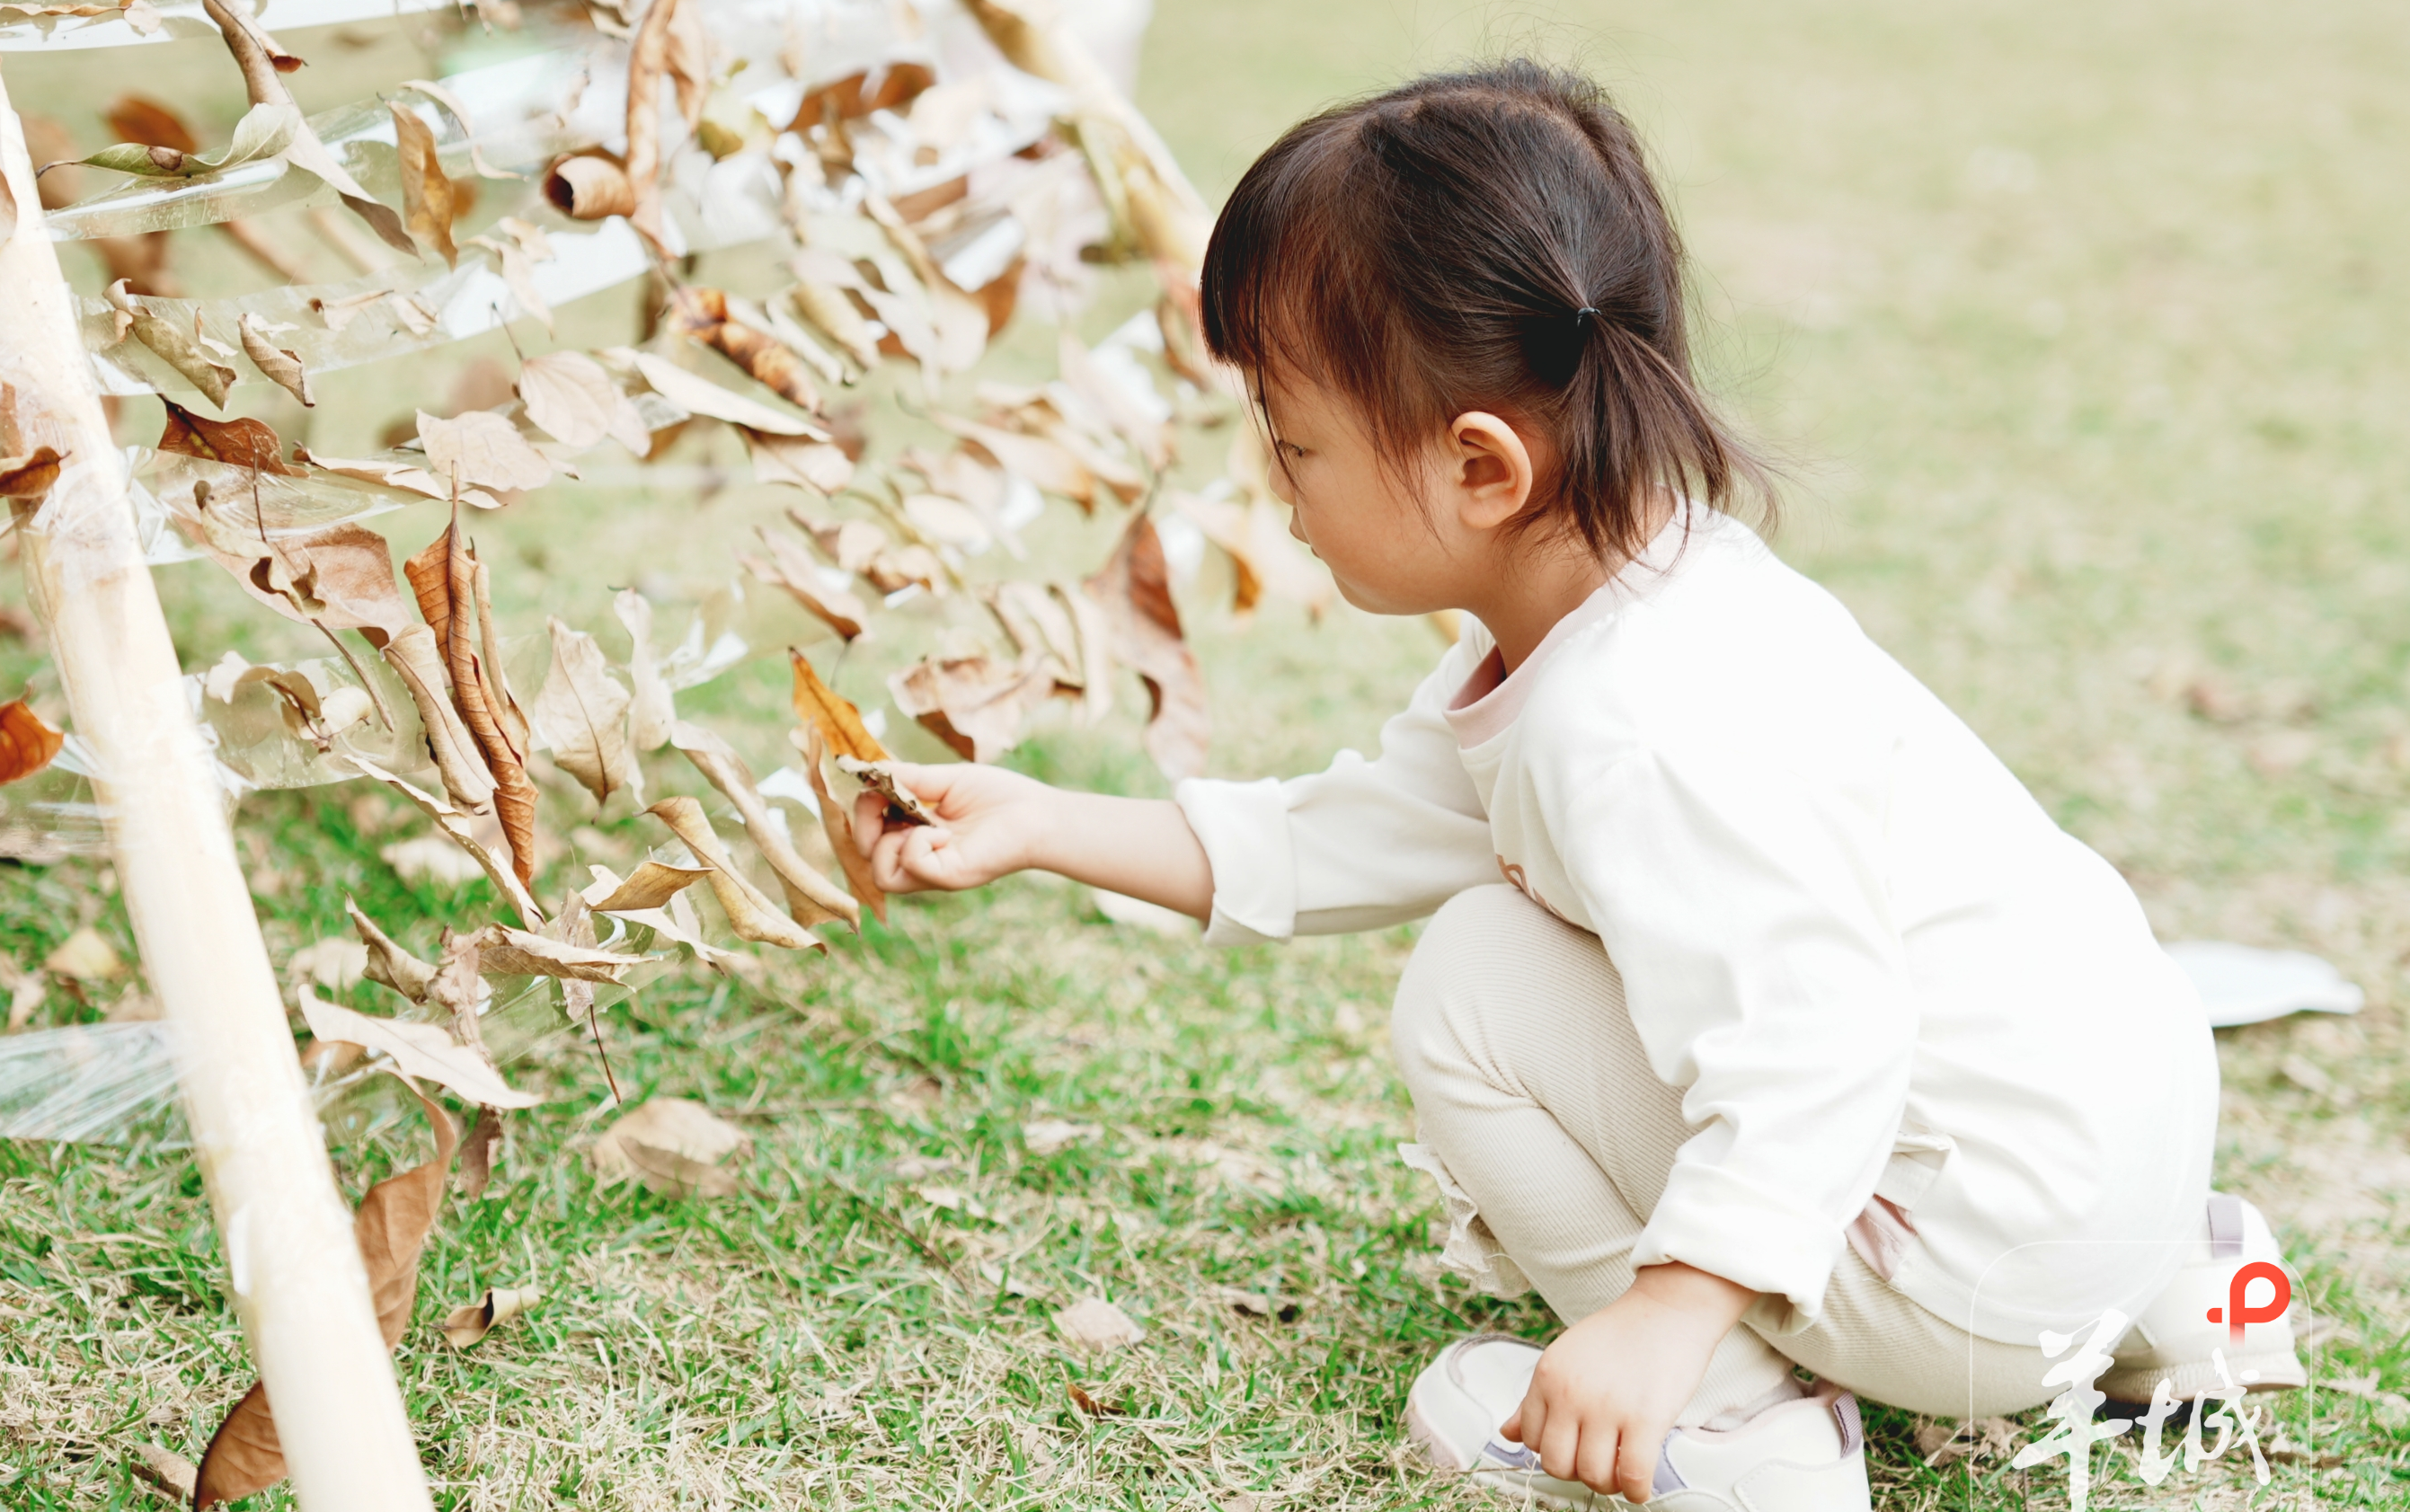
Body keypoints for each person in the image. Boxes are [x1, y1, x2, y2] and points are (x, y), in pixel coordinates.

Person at [850, 59, 2294, 1509]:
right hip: (2115, 1167)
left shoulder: (1638, 725)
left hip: (1973, 1256)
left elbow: (1822, 1040)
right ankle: (2184, 1306)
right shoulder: (1656, 599)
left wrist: (1668, 1311)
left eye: (1295, 440)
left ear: (1481, 465)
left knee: (1472, 979)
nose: (1278, 483)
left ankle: (1735, 1426)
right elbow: (1341, 835)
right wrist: (1041, 825)